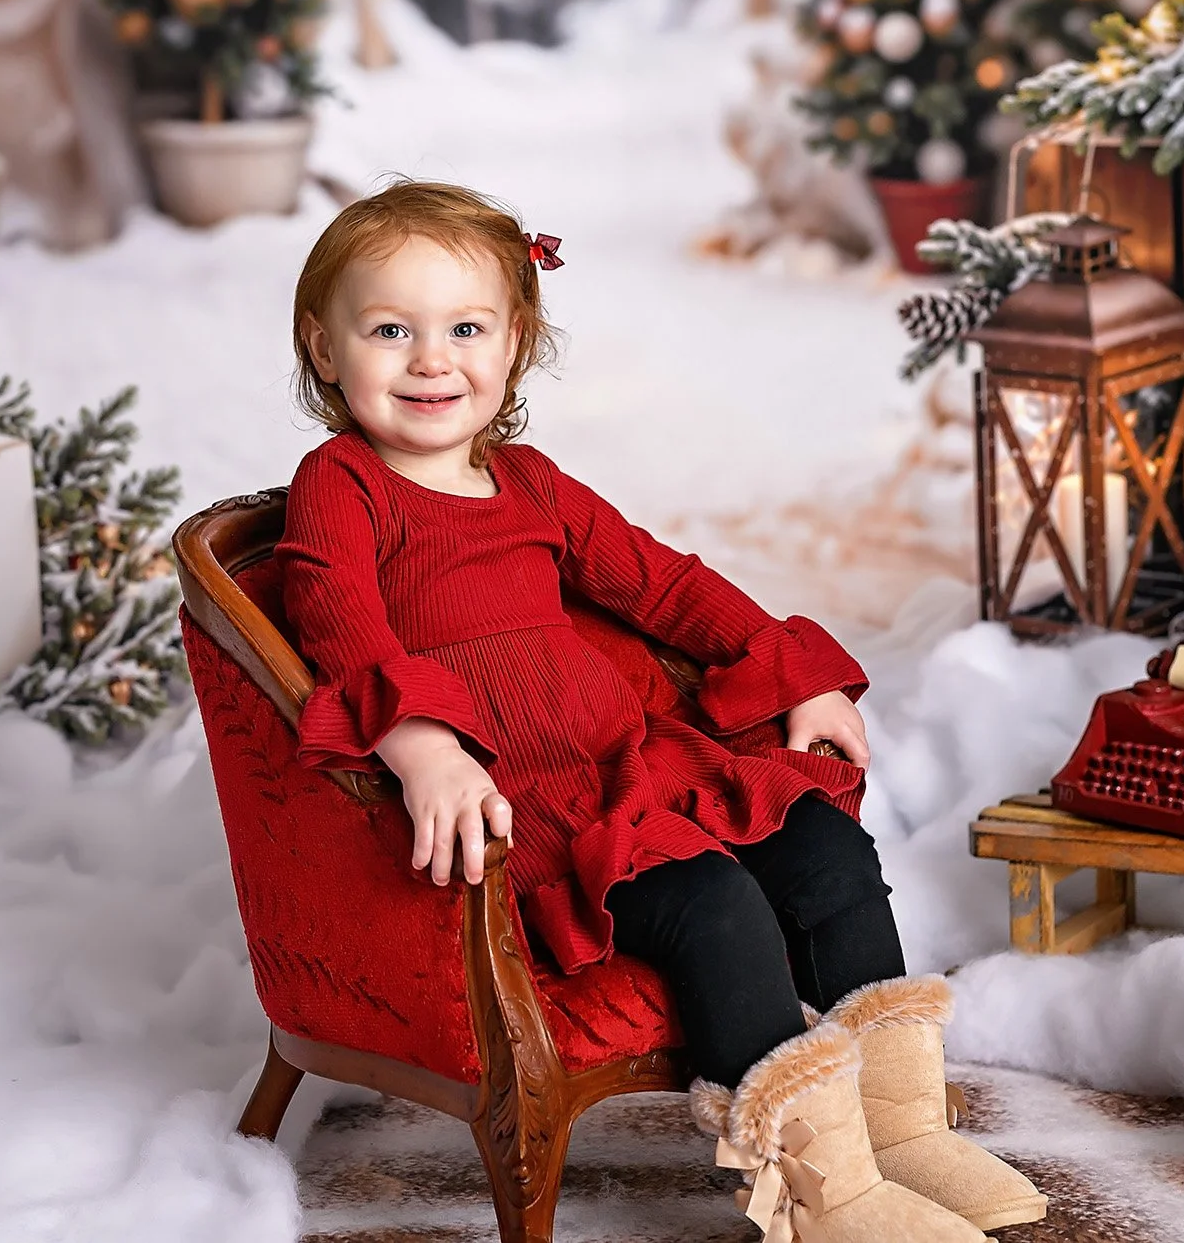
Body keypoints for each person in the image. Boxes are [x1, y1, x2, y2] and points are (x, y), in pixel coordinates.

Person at [274, 180, 1045, 1241]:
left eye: (465, 329)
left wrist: (788, 667)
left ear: (514, 342)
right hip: (531, 809)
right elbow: (335, 613)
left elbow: (662, 584)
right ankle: (821, 1187)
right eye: (389, 330)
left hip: (628, 765)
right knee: (713, 905)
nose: (430, 360)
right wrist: (423, 744)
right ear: (325, 347)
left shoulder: (530, 482)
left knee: (822, 848)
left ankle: (899, 1127)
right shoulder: (342, 483)